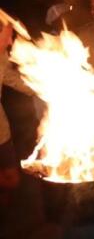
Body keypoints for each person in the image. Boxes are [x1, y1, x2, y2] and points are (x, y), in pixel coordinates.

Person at [0, 22, 35, 208]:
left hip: (1, 131)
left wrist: (38, 86)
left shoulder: (1, 55)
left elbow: (9, 77)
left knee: (12, 180)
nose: (11, 41)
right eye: (7, 36)